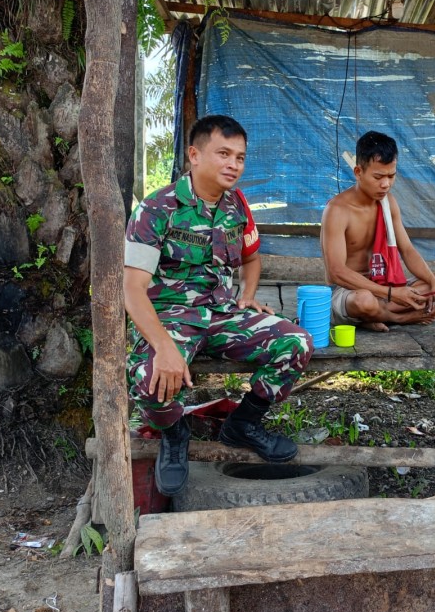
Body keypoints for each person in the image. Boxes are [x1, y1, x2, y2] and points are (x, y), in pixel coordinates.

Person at [124, 115, 313, 496]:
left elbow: (251, 258)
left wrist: (247, 294)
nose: (234, 165)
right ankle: (174, 435)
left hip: (224, 314)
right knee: (149, 378)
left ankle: (243, 424)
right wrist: (163, 347)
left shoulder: (236, 207)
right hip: (172, 318)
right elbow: (131, 289)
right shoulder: (157, 209)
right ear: (194, 155)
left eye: (240, 157)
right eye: (224, 154)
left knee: (297, 343)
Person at [321, 131, 435, 332]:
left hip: (384, 287)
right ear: (358, 172)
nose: (386, 184)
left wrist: (434, 284)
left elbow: (407, 250)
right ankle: (398, 318)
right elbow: (336, 272)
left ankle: (375, 315)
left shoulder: (388, 202)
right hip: (349, 292)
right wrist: (392, 294)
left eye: (391, 176)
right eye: (378, 176)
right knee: (364, 300)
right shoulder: (337, 210)